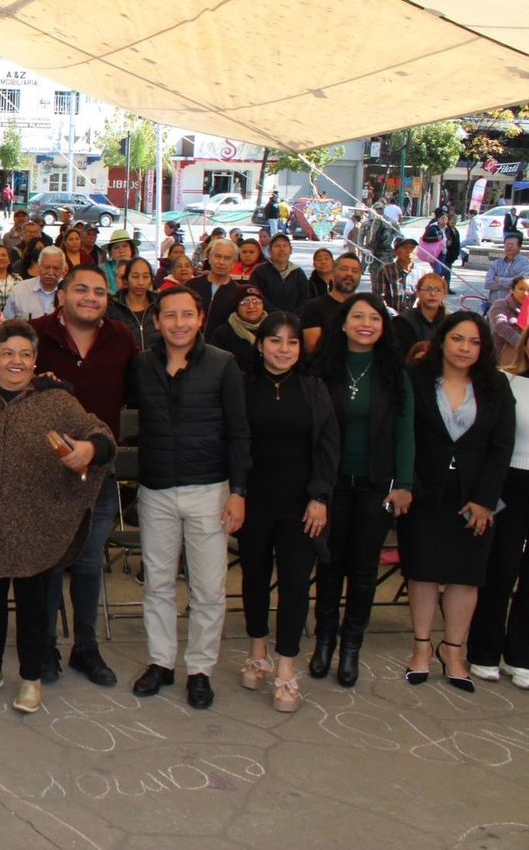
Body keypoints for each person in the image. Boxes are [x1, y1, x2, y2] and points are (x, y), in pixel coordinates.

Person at [0, 320, 115, 713]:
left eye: (25, 355)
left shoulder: (56, 401)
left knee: (33, 607)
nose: (16, 361)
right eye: (7, 353)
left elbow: (100, 432)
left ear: (35, 361)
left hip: (35, 523)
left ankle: (30, 678)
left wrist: (90, 450)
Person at [128, 286, 249, 709]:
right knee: (158, 584)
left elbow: (238, 431)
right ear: (156, 322)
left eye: (187, 315)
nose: (178, 323)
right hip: (156, 489)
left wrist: (238, 492)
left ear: (200, 319)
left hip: (209, 489)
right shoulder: (142, 364)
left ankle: (200, 669)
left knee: (209, 588)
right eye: (169, 316)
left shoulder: (223, 364)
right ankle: (161, 662)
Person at [27, 263, 138, 686]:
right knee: (50, 562)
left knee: (90, 563)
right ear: (62, 296)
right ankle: (46, 646)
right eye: (82, 290)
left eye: (99, 292)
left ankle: (86, 648)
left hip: (99, 472)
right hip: (45, 471)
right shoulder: (36, 334)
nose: (91, 298)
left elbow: (137, 393)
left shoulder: (121, 339)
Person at [399, 312, 516, 692]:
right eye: (457, 339)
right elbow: (404, 436)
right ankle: (420, 648)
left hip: (474, 496)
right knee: (423, 571)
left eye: (474, 342)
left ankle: (453, 651)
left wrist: (485, 500)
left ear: (483, 348)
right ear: (442, 341)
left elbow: (501, 447)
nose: (465, 348)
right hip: (424, 490)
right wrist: (406, 484)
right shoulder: (417, 379)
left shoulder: (496, 385)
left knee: (467, 575)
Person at [307, 292, 415, 686]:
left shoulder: (392, 371)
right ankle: (325, 642)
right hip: (332, 483)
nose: (366, 324)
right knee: (330, 564)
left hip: (374, 487)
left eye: (374, 317)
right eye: (358, 316)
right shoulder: (325, 367)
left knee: (364, 570)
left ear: (383, 326)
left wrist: (404, 483)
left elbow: (405, 433)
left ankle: (352, 646)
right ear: (343, 322)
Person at [237, 312, 340, 712]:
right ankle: (257, 650)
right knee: (254, 577)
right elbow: (233, 444)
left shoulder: (314, 389)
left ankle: (285, 667)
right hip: (254, 500)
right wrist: (236, 492)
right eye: (275, 341)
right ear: (260, 344)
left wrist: (320, 497)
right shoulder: (242, 387)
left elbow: (330, 446)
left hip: (302, 505)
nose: (284, 349)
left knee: (296, 582)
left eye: (292, 342)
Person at [470, 338, 529, 686]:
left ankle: (520, 654)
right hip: (509, 484)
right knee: (500, 570)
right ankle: (483, 651)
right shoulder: (505, 381)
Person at [301, 254, 364, 353]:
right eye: (344, 269)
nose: (349, 274)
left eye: (355, 271)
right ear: (333, 272)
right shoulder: (314, 307)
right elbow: (312, 348)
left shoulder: (366, 308)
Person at [189, 236, 242, 341]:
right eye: (217, 256)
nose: (221, 262)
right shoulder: (192, 285)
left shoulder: (238, 292)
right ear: (209, 258)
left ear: (234, 263)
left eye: (227, 258)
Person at [207, 283, 269, 370]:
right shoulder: (222, 334)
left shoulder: (273, 328)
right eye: (244, 303)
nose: (251, 306)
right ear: (236, 307)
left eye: (256, 302)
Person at [108, 256, 161, 351]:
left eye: (145, 277)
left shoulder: (160, 305)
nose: (141, 282)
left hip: (157, 363)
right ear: (126, 280)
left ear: (151, 280)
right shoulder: (112, 307)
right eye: (135, 276)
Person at [392, 272, 448, 359]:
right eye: (427, 289)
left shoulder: (449, 322)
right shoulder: (403, 321)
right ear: (418, 293)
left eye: (438, 290)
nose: (433, 294)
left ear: (445, 295)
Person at [251, 234, 310, 314]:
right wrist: (277, 316)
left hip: (294, 320)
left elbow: (305, 299)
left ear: (291, 250)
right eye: (277, 246)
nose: (281, 249)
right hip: (267, 319)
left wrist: (292, 317)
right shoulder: (259, 272)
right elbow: (258, 298)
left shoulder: (298, 273)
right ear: (269, 250)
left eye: (285, 246)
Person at [4, 246, 65, 320]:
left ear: (62, 270)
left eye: (56, 268)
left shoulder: (70, 292)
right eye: (46, 267)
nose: (50, 273)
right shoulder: (19, 290)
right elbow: (6, 322)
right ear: (38, 267)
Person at [376, 237, 423, 314]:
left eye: (413, 248)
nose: (409, 251)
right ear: (396, 252)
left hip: (416, 319)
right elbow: (380, 298)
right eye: (405, 248)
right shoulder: (386, 271)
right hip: (392, 318)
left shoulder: (422, 273)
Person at [489, 277, 529, 358]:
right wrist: (522, 344)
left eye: (528, 290)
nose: (525, 293)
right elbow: (500, 325)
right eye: (521, 289)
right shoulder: (500, 304)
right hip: (503, 354)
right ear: (512, 289)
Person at [487, 233, 529, 307]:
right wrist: (510, 283)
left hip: (515, 307)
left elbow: (520, 284)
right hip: (494, 305)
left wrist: (499, 279)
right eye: (507, 244)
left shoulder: (525, 264)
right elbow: (488, 284)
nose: (509, 247)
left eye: (512, 244)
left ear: (520, 247)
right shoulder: (495, 263)